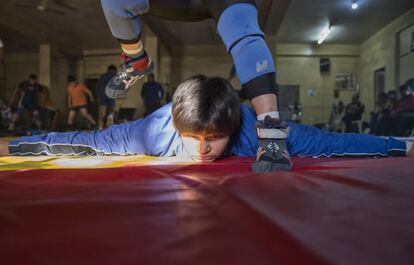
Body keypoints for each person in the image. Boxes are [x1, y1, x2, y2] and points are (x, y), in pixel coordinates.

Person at [1, 76, 413, 165]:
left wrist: (404, 145)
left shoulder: (258, 133)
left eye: (213, 139)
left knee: (318, 141)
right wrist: (7, 146)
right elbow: (79, 139)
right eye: (191, 139)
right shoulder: (149, 133)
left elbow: (332, 142)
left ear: (232, 130)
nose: (200, 151)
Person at [100, 0, 289, 173]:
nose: (202, 149)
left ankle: (271, 131)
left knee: (242, 26)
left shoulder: (243, 131)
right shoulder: (159, 129)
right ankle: (136, 60)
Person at [96, 65, 117, 129]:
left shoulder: (102, 76)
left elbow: (97, 88)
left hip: (102, 96)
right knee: (111, 112)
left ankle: (100, 128)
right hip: (111, 96)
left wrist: (98, 97)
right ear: (114, 70)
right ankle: (110, 128)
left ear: (108, 70)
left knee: (102, 114)